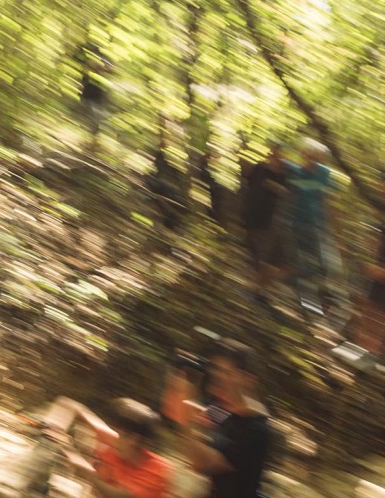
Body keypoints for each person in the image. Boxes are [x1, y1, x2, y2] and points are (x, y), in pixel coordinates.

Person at [172, 339, 271, 498]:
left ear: (249, 380)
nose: (216, 376)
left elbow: (201, 462)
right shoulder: (219, 409)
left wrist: (186, 396)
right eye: (215, 369)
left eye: (226, 373)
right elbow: (192, 450)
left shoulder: (255, 428)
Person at [42, 396, 172, 497]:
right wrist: (56, 429)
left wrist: (82, 466)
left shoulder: (158, 469)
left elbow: (119, 496)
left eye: (121, 434)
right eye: (115, 430)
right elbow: (69, 405)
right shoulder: (115, 442)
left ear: (135, 439)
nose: (114, 437)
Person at [285, 138, 342, 305]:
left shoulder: (324, 173)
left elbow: (331, 201)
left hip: (318, 225)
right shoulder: (295, 171)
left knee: (322, 265)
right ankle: (301, 295)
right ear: (304, 155)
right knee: (301, 262)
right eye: (310, 155)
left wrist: (336, 230)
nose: (313, 159)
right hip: (296, 223)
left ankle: (318, 295)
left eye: (317, 156)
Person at [354, 170, 385, 361]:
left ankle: (373, 357)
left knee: (384, 314)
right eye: (381, 188)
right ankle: (362, 354)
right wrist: (370, 262)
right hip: (382, 265)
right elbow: (377, 237)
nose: (384, 192)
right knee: (369, 309)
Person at [241, 141, 290, 304]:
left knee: (273, 261)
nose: (275, 158)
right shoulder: (260, 169)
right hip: (254, 219)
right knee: (257, 258)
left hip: (272, 223)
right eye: (273, 154)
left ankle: (261, 290)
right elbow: (248, 185)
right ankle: (256, 290)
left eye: (278, 155)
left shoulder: (285, 175)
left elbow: (287, 192)